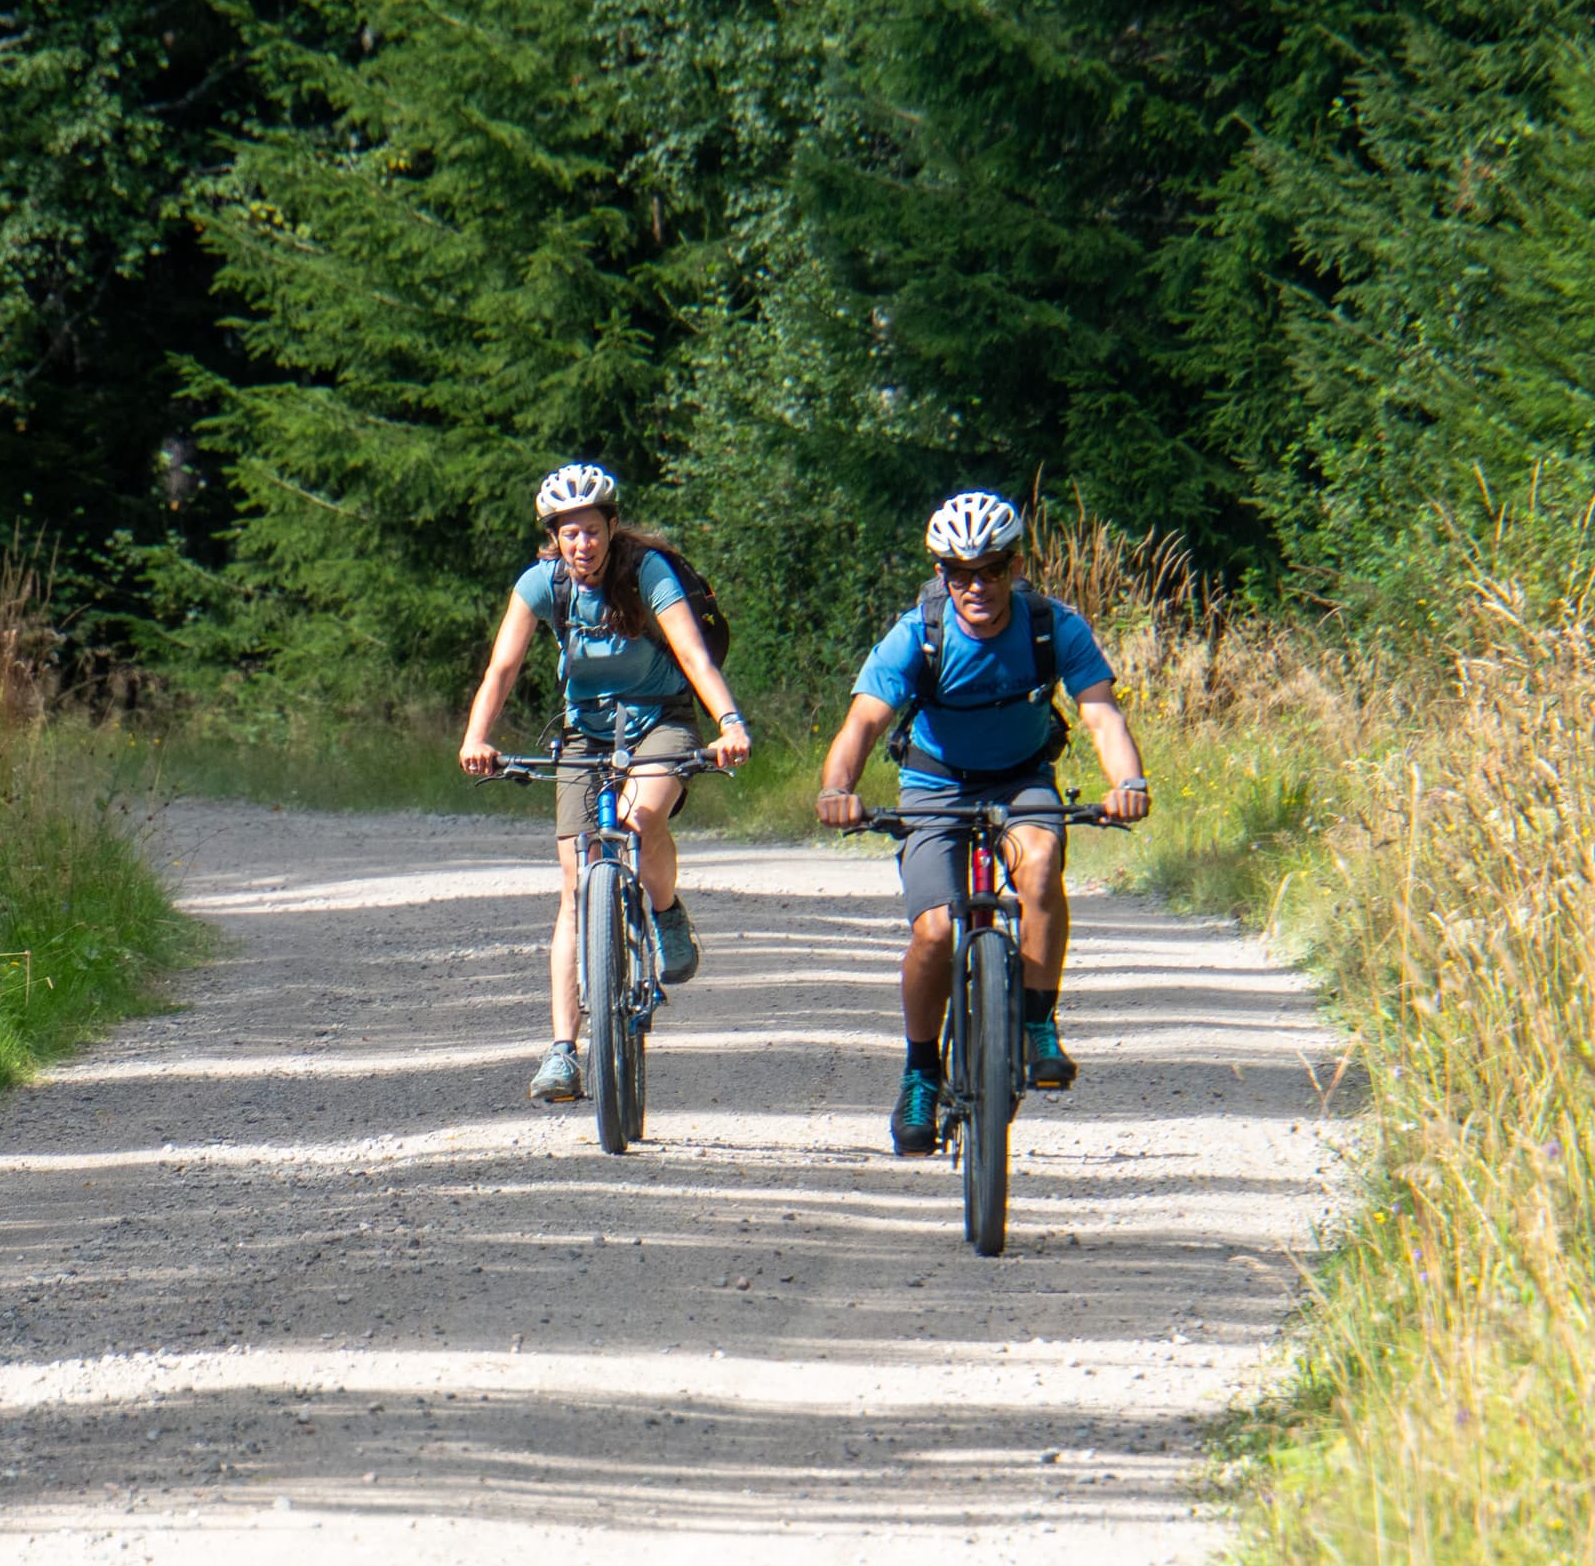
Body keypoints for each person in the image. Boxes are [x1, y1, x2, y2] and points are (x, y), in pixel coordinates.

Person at [812, 491, 1151, 1156]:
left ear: (1015, 567)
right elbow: (863, 722)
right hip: (934, 784)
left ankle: (1037, 1021)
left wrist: (1128, 783)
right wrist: (837, 789)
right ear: (942, 575)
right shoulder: (918, 634)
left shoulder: (1053, 627)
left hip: (1022, 778)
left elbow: (1101, 713)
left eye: (991, 569)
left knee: (1040, 865)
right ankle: (921, 1072)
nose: (976, 586)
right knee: (935, 931)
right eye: (959, 572)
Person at [459, 464, 752, 1105]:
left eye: (592, 530)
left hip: (660, 722)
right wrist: (477, 737)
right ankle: (563, 1052)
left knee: (643, 817)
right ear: (554, 538)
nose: (582, 544)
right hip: (585, 735)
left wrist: (729, 724)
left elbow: (693, 654)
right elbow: (502, 668)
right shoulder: (542, 585)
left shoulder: (647, 572)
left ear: (612, 527)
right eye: (569, 534)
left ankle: (665, 912)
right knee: (574, 886)